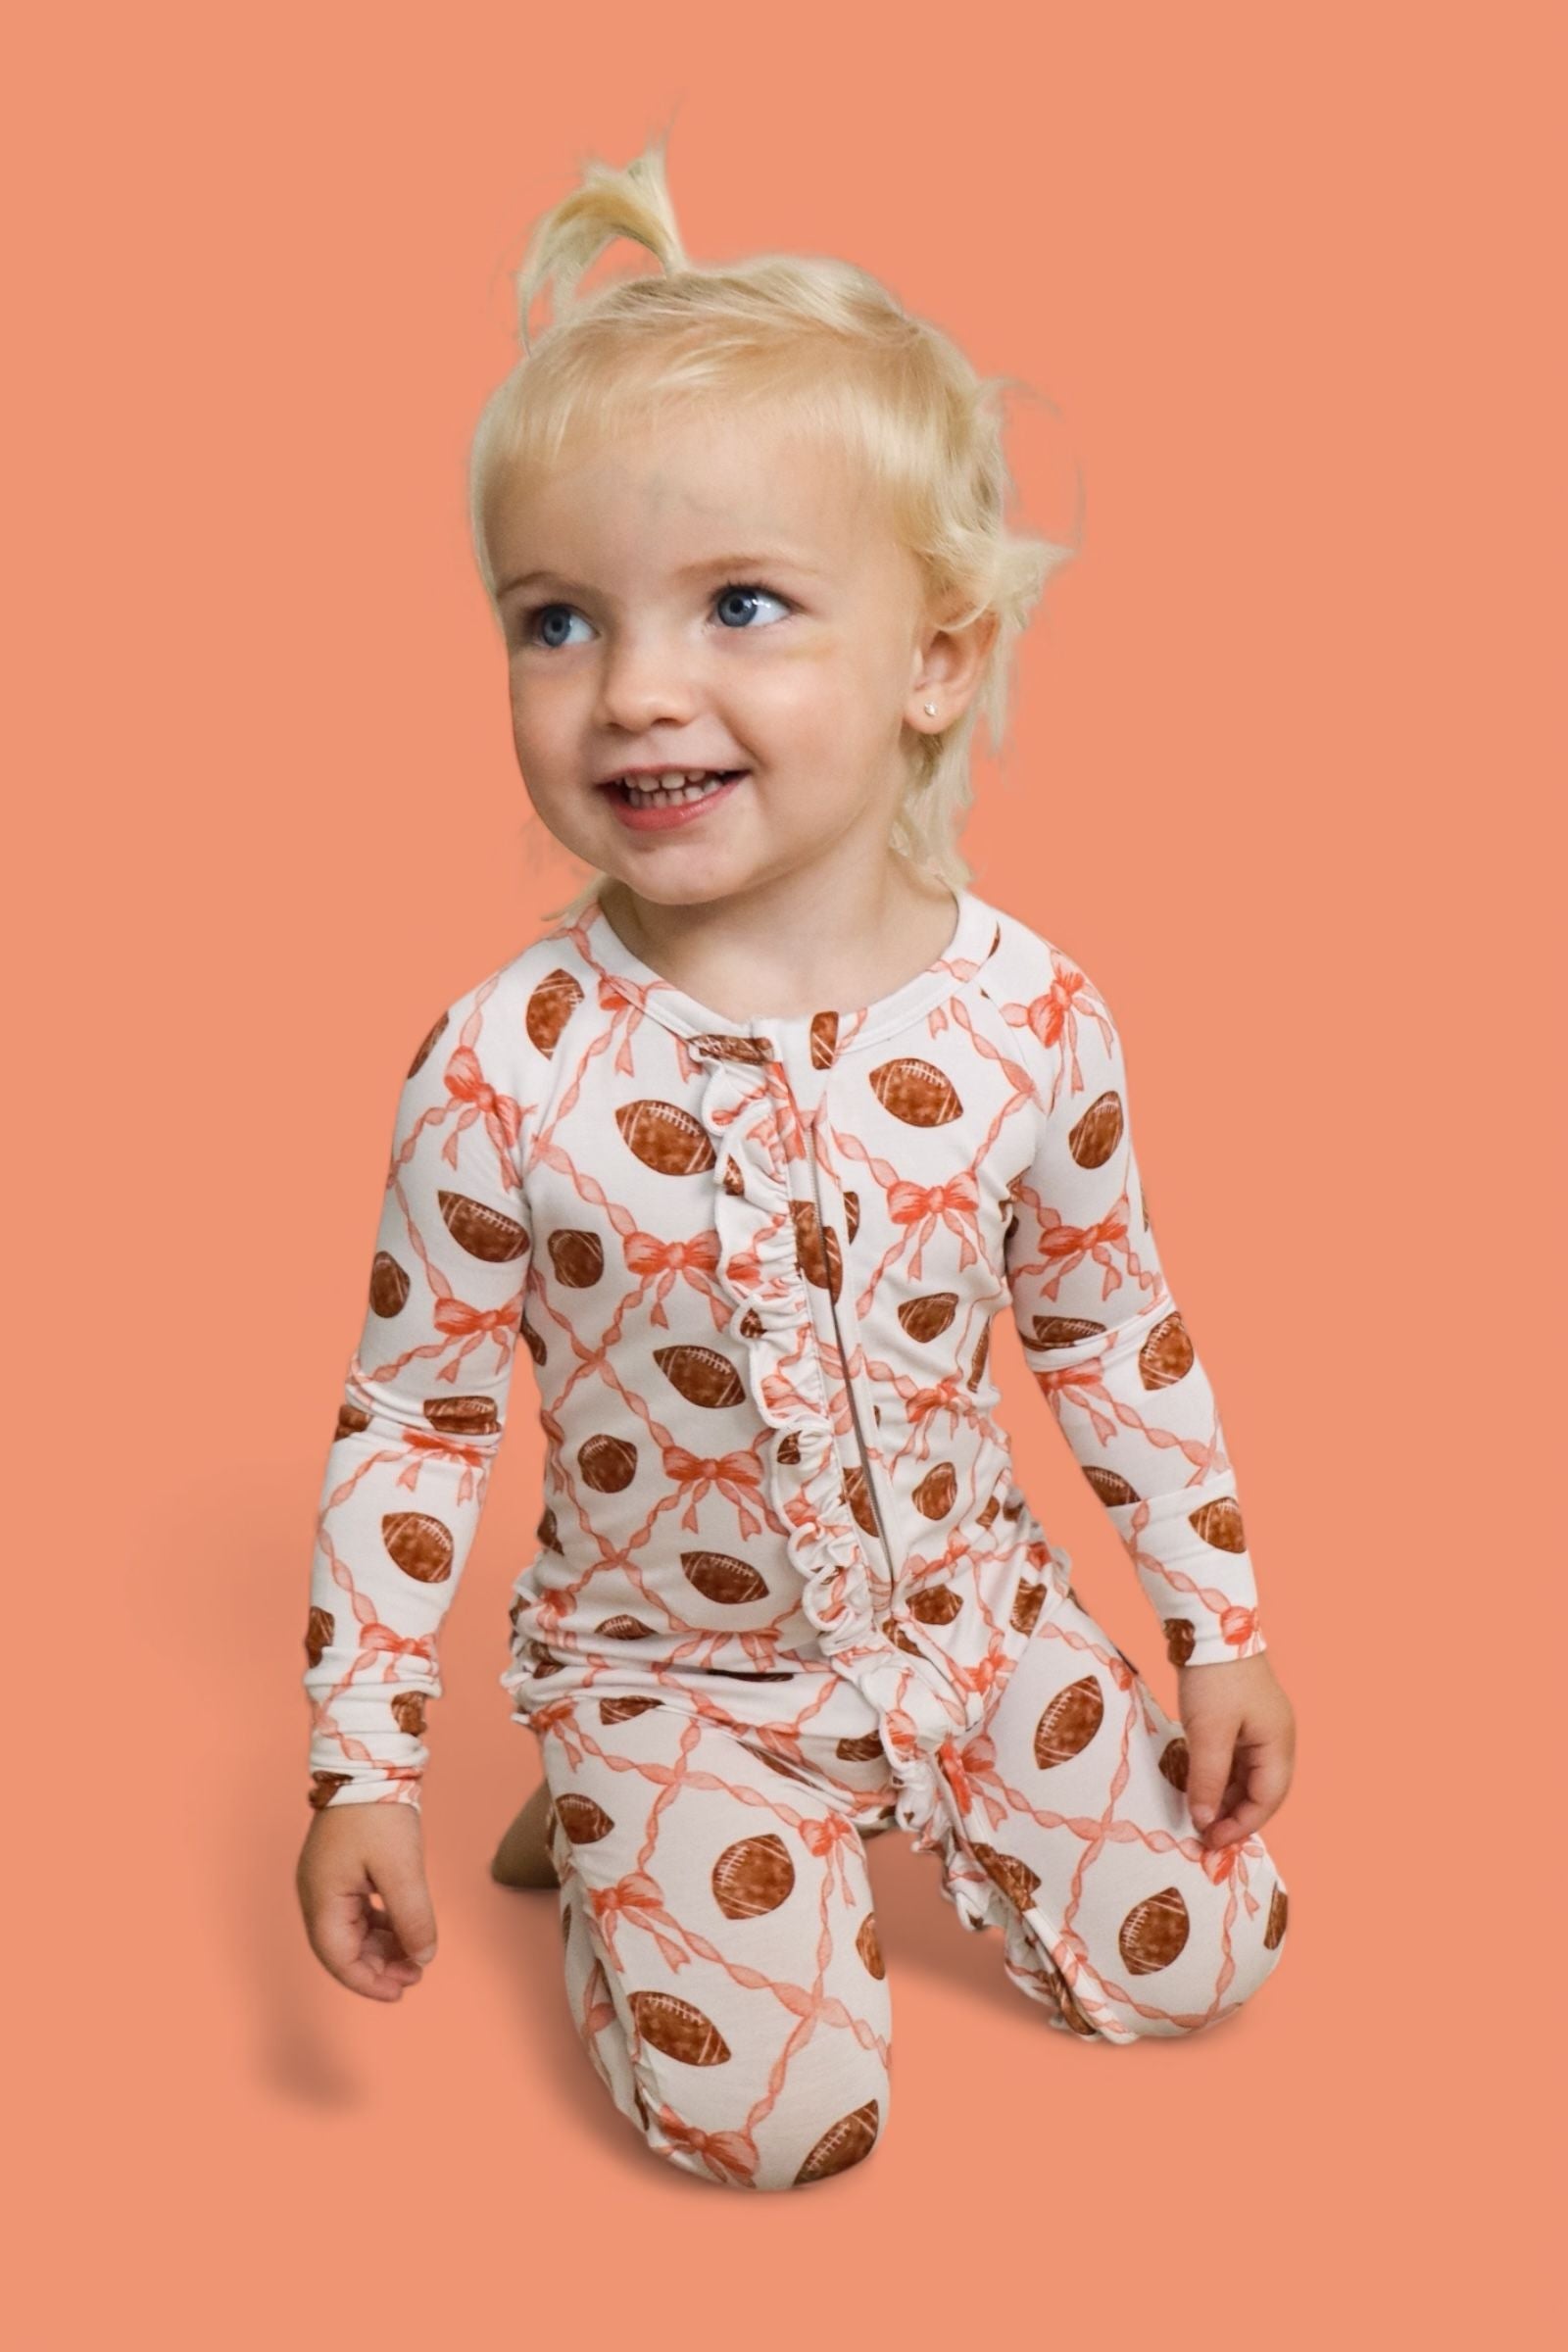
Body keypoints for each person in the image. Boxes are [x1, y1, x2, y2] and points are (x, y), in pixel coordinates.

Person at [295, 129, 1296, 2189]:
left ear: (936, 656)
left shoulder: (1031, 1017)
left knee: (1213, 1956)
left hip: (971, 1620)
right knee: (781, 2129)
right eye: (556, 621)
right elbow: (415, 1421)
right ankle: (615, 1809)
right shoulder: (499, 1070)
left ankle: (815, 1810)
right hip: (669, 1667)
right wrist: (359, 1768)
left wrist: (1216, 1627)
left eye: (739, 604)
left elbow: (1108, 1330)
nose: (634, 691)